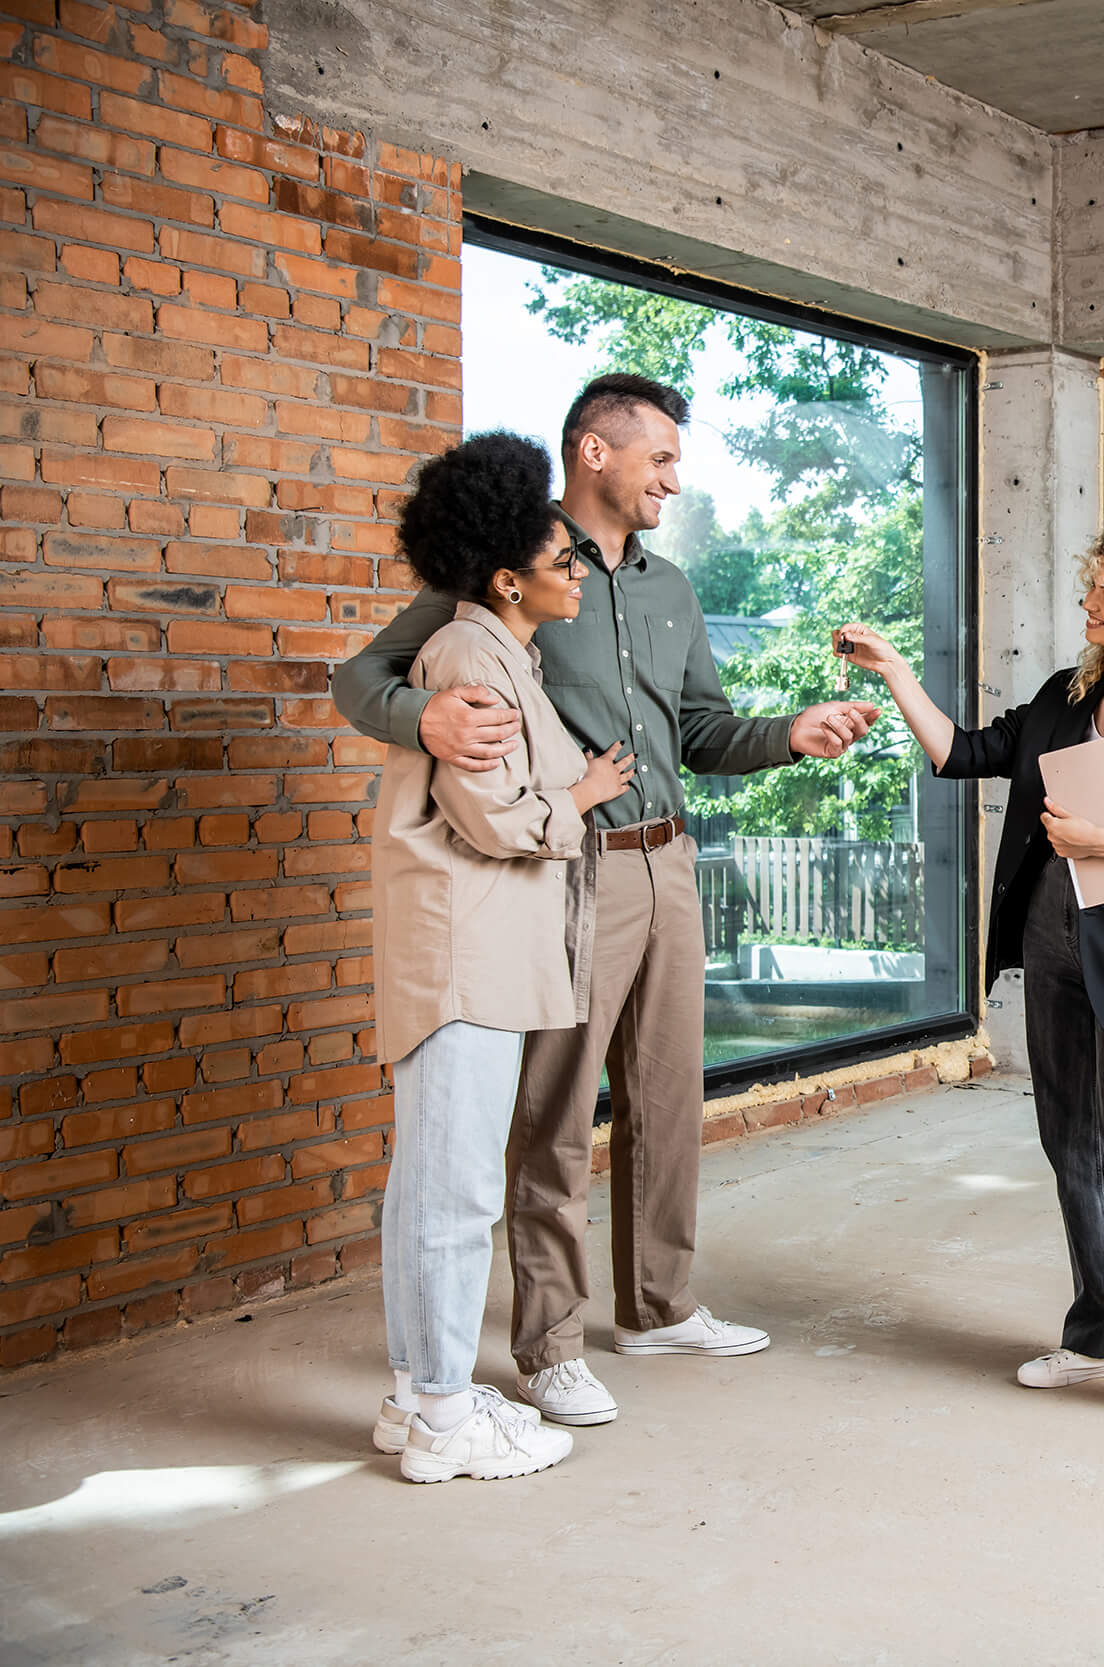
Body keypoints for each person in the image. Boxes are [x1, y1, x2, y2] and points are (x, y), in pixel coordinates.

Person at [333, 374, 880, 1428]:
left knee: (670, 1095)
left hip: (668, 858)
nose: (676, 477)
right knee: (555, 1107)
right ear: (595, 452)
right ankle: (546, 1345)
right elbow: (363, 674)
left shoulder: (672, 588)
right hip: (564, 861)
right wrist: (422, 719)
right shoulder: (511, 569)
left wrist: (789, 733)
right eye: (661, 458)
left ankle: (661, 1303)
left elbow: (705, 730)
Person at [835, 527, 1104, 1439]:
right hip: (1051, 942)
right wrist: (897, 668)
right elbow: (961, 752)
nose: (1089, 602)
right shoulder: (1067, 700)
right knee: (1071, 1143)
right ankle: (1100, 1330)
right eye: (1090, 585)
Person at [368, 432, 637, 1482]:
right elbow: (493, 818)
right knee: (455, 1194)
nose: (577, 569)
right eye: (561, 558)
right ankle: (441, 1416)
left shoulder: (500, 651)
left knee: (434, 1186)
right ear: (505, 575)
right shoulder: (470, 657)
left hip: (479, 953)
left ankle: (417, 1394)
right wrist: (577, 798)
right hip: (462, 957)